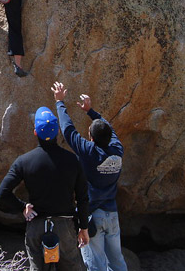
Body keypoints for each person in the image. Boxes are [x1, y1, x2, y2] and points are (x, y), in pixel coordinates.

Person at [0, 106, 89, 271]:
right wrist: (83, 227)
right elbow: (82, 197)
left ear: (35, 132)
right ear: (58, 131)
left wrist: (22, 207)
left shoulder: (23, 161)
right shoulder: (73, 160)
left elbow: (2, 195)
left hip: (37, 226)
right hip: (64, 226)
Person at [51, 82, 128, 271]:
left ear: (91, 138)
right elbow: (110, 130)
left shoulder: (90, 152)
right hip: (112, 214)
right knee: (117, 261)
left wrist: (60, 102)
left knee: (95, 264)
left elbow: (68, 131)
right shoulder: (117, 150)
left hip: (92, 215)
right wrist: (91, 111)